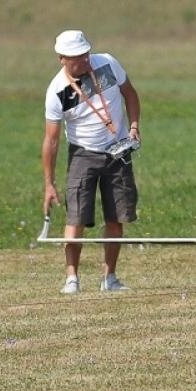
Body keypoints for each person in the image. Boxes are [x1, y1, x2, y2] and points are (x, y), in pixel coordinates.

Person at [41, 29, 142, 294]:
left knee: (116, 215)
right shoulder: (57, 91)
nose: (85, 61)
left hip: (118, 150)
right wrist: (49, 185)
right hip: (83, 154)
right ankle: (71, 278)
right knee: (76, 217)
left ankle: (110, 278)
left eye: (86, 54)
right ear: (62, 58)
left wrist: (133, 126)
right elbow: (51, 141)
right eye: (77, 58)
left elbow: (130, 93)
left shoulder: (107, 63)